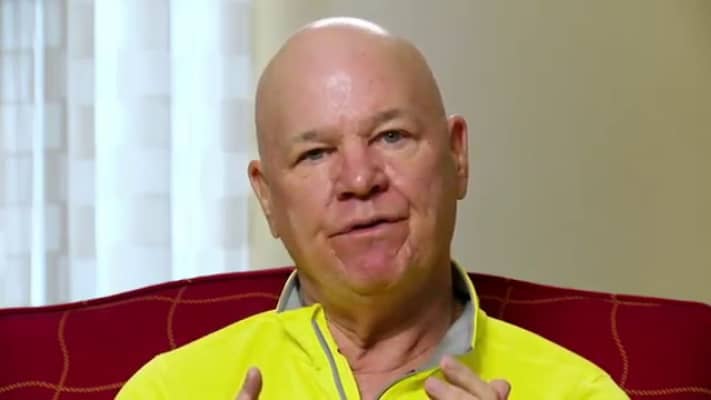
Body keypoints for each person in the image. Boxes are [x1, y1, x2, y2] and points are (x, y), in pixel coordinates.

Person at [117, 17, 628, 400]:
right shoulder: (169, 390)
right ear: (267, 197)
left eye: (391, 136)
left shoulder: (580, 393)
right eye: (315, 154)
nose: (360, 180)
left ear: (457, 156)